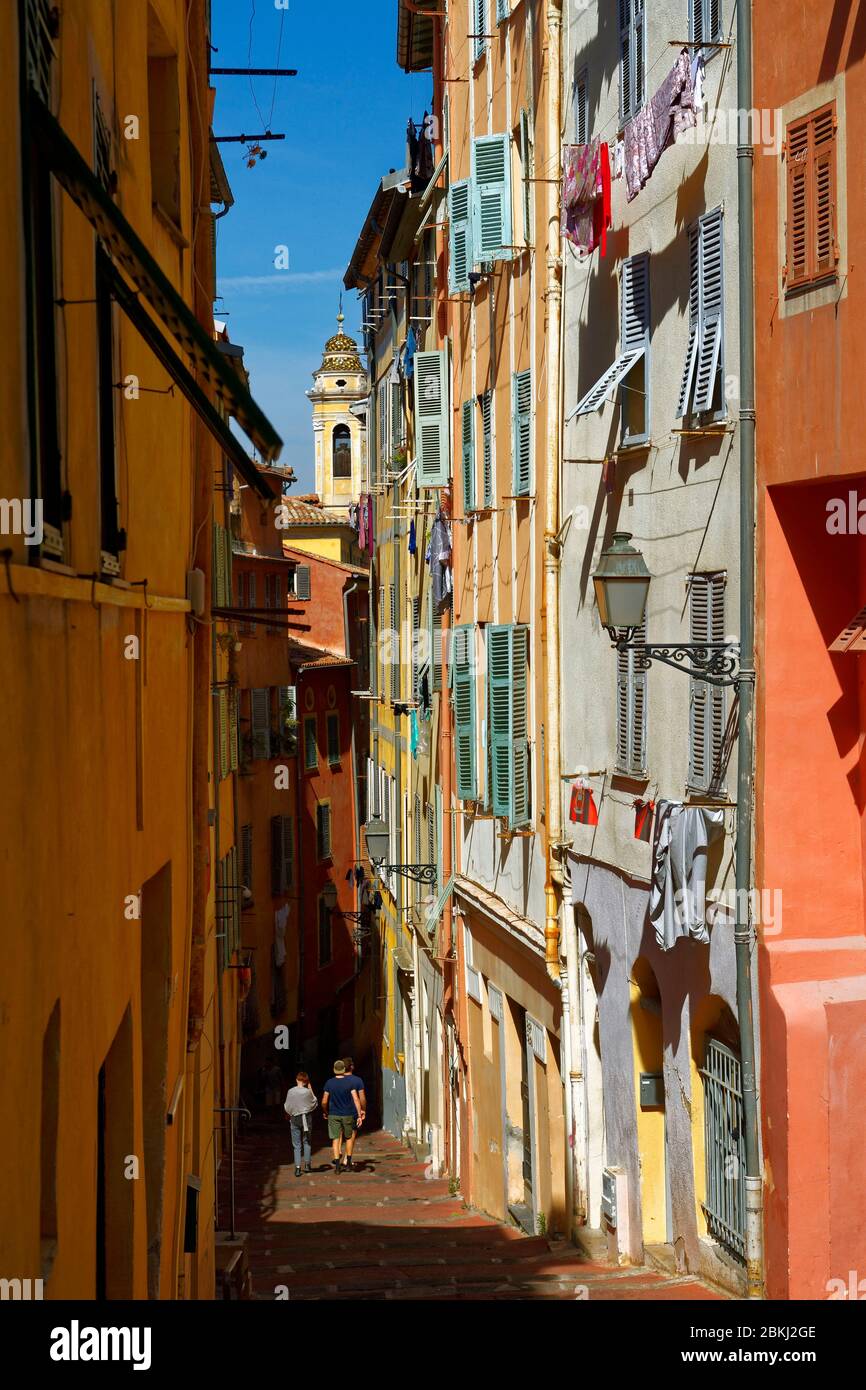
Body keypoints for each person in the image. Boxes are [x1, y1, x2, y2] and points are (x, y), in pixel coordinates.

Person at [321, 1059, 365, 1173]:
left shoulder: (329, 1083)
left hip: (334, 1114)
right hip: (348, 1114)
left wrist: (325, 1111)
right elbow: (356, 1099)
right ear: (344, 1069)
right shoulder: (350, 1083)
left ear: (334, 1070)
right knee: (349, 1137)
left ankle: (337, 1167)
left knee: (335, 1139)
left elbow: (324, 1100)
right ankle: (348, 1163)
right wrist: (360, 1114)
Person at [283, 1072, 318, 1176]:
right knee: (307, 1141)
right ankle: (307, 1165)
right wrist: (310, 1088)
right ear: (306, 1081)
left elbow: (287, 1106)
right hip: (306, 1118)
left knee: (296, 1144)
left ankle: (298, 1168)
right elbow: (314, 1103)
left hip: (294, 1118)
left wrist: (289, 1113)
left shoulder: (291, 1091)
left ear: (296, 1080)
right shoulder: (307, 1092)